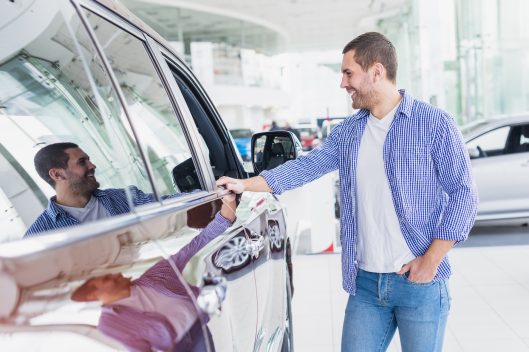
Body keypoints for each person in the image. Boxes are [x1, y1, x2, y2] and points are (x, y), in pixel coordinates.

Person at [217, 32, 478, 351]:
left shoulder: (434, 124)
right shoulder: (350, 132)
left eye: (348, 72)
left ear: (376, 71)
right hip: (366, 285)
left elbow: (463, 193)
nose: (343, 83)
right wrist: (244, 184)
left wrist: (432, 260)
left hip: (419, 284)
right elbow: (304, 167)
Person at [71, 194, 237, 352]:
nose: (116, 274)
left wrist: (228, 202)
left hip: (201, 331)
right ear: (93, 294)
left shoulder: (157, 274)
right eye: (106, 278)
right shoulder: (110, 322)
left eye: (110, 272)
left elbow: (199, 242)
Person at [25, 142, 171, 238]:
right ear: (57, 174)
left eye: (88, 160)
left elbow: (172, 205)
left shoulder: (125, 197)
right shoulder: (38, 236)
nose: (92, 165)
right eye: (82, 162)